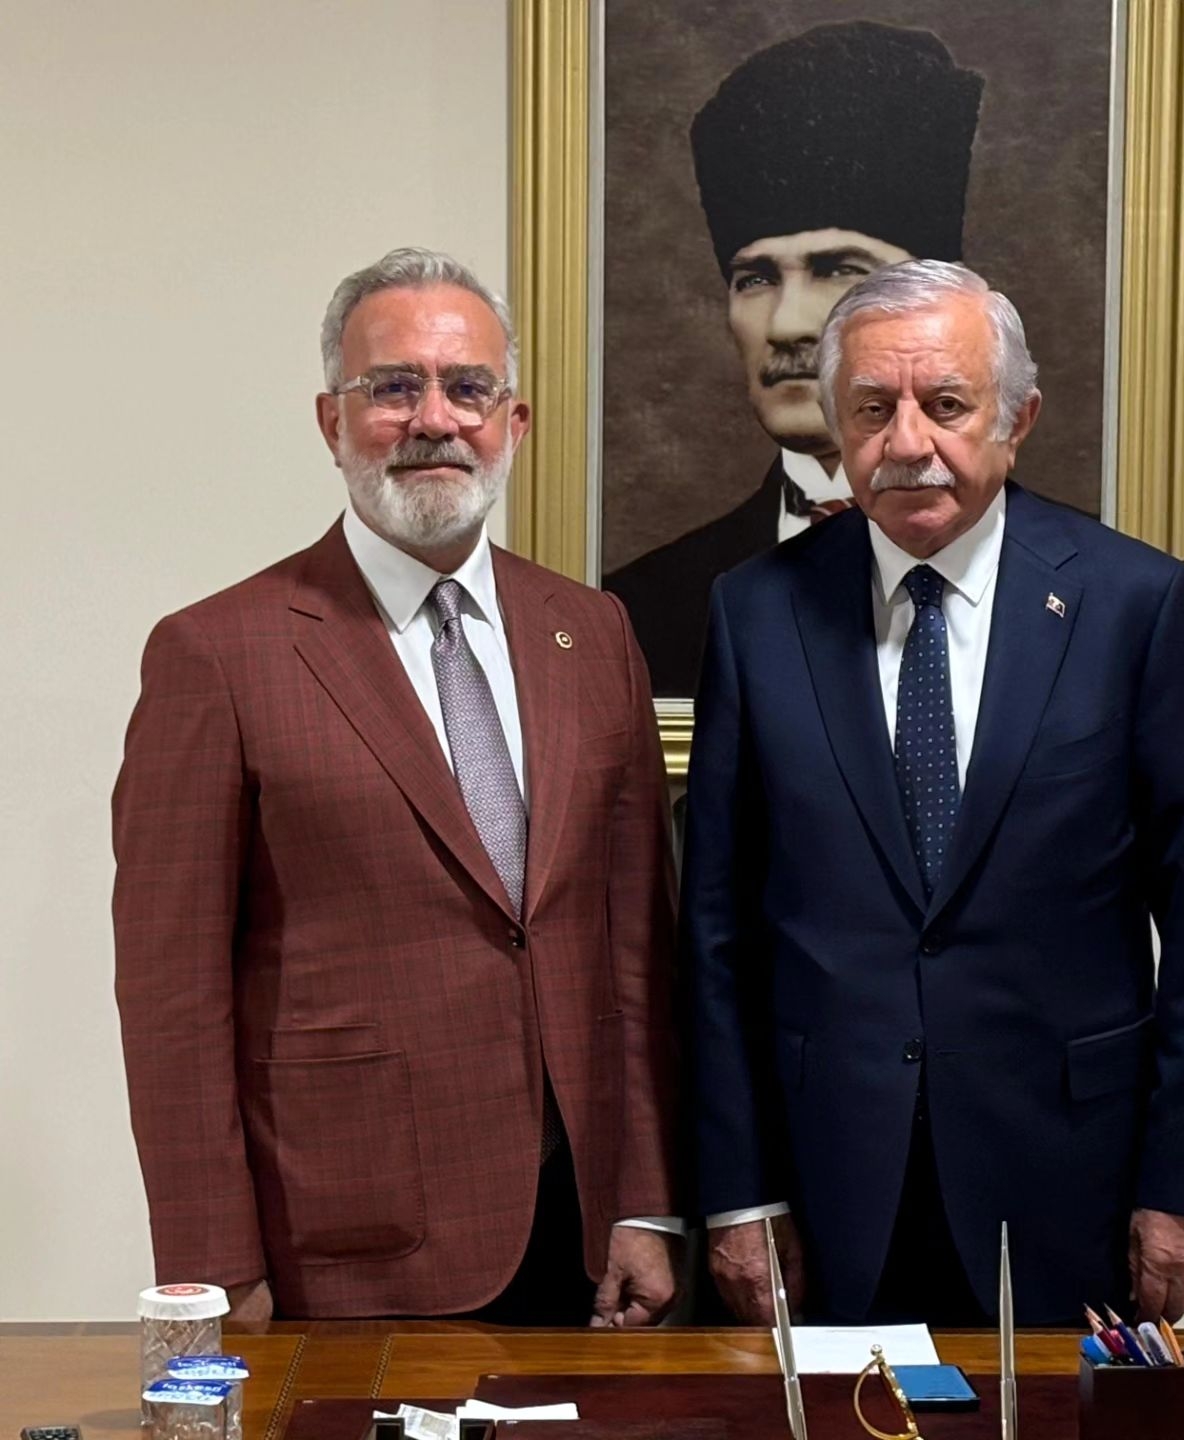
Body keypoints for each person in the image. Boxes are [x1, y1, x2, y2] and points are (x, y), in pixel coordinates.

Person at [683, 259, 1184, 1327]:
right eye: (873, 409)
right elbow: (718, 932)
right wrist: (739, 1192)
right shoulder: (754, 612)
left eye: (946, 405)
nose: (908, 442)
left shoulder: (1138, 606)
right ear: (836, 424)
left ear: (1017, 418)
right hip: (824, 1182)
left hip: (1070, 1179)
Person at [113, 248, 682, 1324]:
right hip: (347, 1240)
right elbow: (171, 999)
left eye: (468, 388)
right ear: (332, 421)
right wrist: (216, 1268)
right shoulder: (217, 654)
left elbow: (635, 950)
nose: (434, 420)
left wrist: (645, 1203)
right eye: (393, 388)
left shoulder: (593, 633)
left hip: (583, 1233)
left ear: (513, 422)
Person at [604, 22, 984, 697]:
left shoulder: (1081, 583)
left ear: (936, 301)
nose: (786, 324)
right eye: (754, 279)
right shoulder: (643, 607)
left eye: (837, 269)